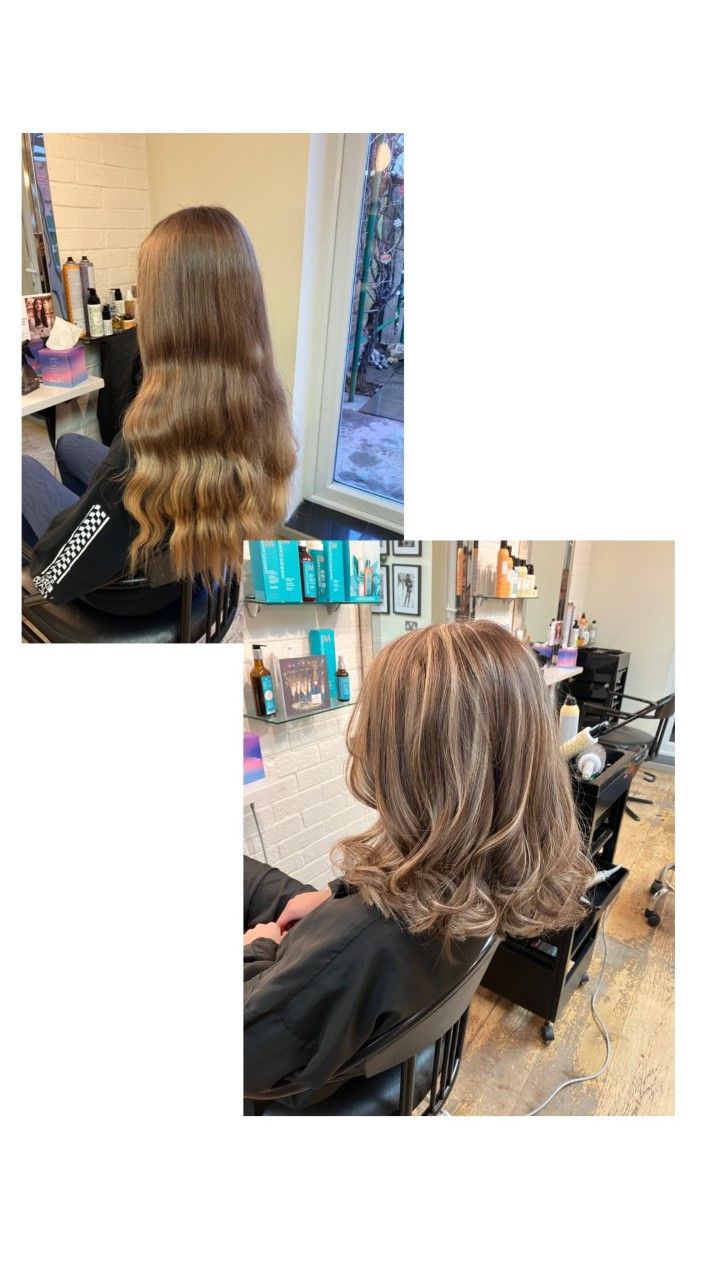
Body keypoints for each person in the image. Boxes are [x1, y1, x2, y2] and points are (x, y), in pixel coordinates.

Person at [244, 620, 595, 1112]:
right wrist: (337, 894)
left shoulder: (361, 943)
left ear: (412, 762)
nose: (363, 741)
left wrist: (256, 946)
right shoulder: (495, 874)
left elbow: (245, 1059)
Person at [22, 206, 296, 610]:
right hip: (191, 568)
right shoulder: (260, 402)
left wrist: (76, 522)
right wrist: (91, 510)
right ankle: (95, 527)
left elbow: (50, 576)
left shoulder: (142, 450)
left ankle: (94, 534)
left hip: (134, 596)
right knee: (68, 445)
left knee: (22, 469)